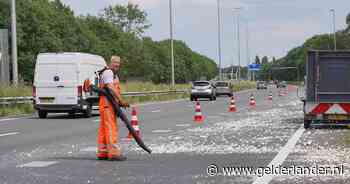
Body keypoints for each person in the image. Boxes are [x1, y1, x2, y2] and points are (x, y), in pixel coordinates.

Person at [97, 55, 129, 161]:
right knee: (111, 128)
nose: (117, 65)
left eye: (118, 63)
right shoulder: (108, 73)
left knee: (104, 128)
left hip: (109, 104)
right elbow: (110, 88)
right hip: (107, 104)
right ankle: (114, 153)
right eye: (115, 62)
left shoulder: (114, 75)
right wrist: (120, 100)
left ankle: (103, 152)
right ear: (110, 62)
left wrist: (118, 102)